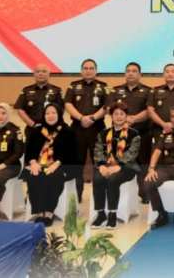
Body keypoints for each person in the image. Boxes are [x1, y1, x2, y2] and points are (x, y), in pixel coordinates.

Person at [22, 103, 75, 227]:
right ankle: (39, 212)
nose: (50, 116)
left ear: (59, 114)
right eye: (47, 113)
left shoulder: (67, 131)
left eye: (53, 113)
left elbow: (70, 152)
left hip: (60, 164)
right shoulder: (37, 131)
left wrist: (56, 164)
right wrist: (33, 163)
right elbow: (29, 151)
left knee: (52, 177)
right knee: (34, 176)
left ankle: (49, 212)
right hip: (39, 163)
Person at [105, 62, 152, 203]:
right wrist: (123, 119)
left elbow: (150, 110)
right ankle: (118, 195)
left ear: (140, 74)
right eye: (128, 71)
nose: (131, 73)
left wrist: (133, 119)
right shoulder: (115, 90)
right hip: (120, 136)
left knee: (143, 165)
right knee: (120, 162)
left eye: (134, 71)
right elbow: (109, 108)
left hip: (142, 133)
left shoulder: (148, 91)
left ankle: (145, 194)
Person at [91, 102, 141, 230]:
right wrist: (101, 166)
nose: (118, 116)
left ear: (127, 116)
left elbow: (133, 153)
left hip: (127, 167)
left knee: (113, 180)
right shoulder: (103, 133)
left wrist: (119, 166)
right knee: (97, 179)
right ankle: (101, 214)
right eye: (116, 114)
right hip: (106, 166)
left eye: (121, 114)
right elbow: (98, 151)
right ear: (111, 116)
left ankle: (112, 215)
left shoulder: (133, 134)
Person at [64, 59, 108, 203]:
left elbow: (107, 106)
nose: (88, 71)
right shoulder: (73, 86)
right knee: (77, 164)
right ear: (81, 70)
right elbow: (68, 104)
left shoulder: (104, 87)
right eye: (85, 68)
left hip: (97, 128)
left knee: (99, 162)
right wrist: (81, 118)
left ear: (96, 70)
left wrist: (93, 118)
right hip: (77, 128)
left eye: (91, 68)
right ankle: (77, 196)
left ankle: (98, 197)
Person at [14, 64, 64, 141]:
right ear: (34, 74)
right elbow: (20, 109)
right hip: (32, 129)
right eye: (38, 71)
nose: (41, 73)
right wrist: (33, 124)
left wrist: (50, 124)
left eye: (44, 71)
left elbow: (61, 110)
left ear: (49, 74)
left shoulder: (57, 91)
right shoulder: (26, 90)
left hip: (52, 130)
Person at [147, 63, 174, 141]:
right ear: (163, 75)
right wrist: (163, 124)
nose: (170, 74)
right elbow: (150, 110)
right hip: (159, 129)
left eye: (173, 71)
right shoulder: (155, 90)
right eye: (167, 72)